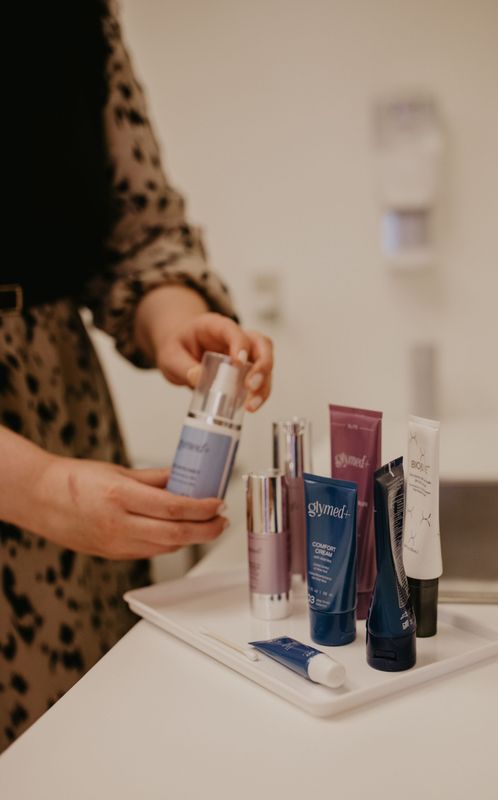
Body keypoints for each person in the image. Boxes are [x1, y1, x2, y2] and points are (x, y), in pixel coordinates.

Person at [0, 1, 273, 751]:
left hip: (62, 416)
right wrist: (38, 489)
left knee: (80, 744)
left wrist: (173, 318)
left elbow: (143, 233)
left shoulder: (76, 16)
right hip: (40, 475)